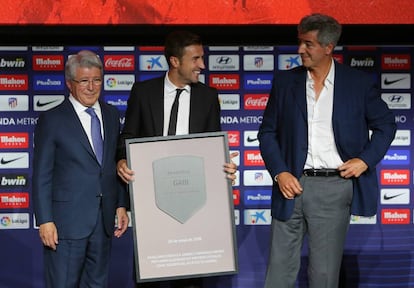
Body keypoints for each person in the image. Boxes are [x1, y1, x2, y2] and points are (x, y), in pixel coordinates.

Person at [258, 13, 396, 288]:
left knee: (323, 276)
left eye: (308, 44)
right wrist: (280, 173)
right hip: (290, 186)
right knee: (278, 275)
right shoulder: (285, 83)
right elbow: (267, 133)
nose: (301, 50)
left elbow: (386, 126)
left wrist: (365, 160)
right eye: (300, 42)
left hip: (334, 188)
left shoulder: (357, 84)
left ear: (328, 47)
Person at [116, 30, 238, 288]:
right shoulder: (143, 92)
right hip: (152, 200)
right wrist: (121, 161)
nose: (202, 65)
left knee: (190, 278)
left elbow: (212, 146)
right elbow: (127, 137)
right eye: (195, 59)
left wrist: (223, 165)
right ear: (175, 61)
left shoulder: (208, 97)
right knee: (149, 276)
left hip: (193, 200)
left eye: (201, 58)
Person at [33, 50, 129, 288]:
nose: (91, 87)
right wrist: (45, 220)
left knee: (97, 284)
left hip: (103, 220)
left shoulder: (110, 114)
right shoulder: (52, 119)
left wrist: (120, 203)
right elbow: (42, 175)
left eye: (97, 80)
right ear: (69, 83)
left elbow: (112, 163)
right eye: (84, 81)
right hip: (66, 224)